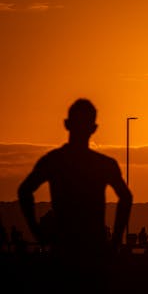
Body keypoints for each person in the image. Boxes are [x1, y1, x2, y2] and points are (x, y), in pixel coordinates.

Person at [17, 99, 133, 290]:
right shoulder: (104, 164)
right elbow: (126, 197)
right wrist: (115, 241)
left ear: (66, 124)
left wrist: (37, 230)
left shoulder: (54, 161)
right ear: (94, 128)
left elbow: (24, 191)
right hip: (93, 250)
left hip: (64, 248)